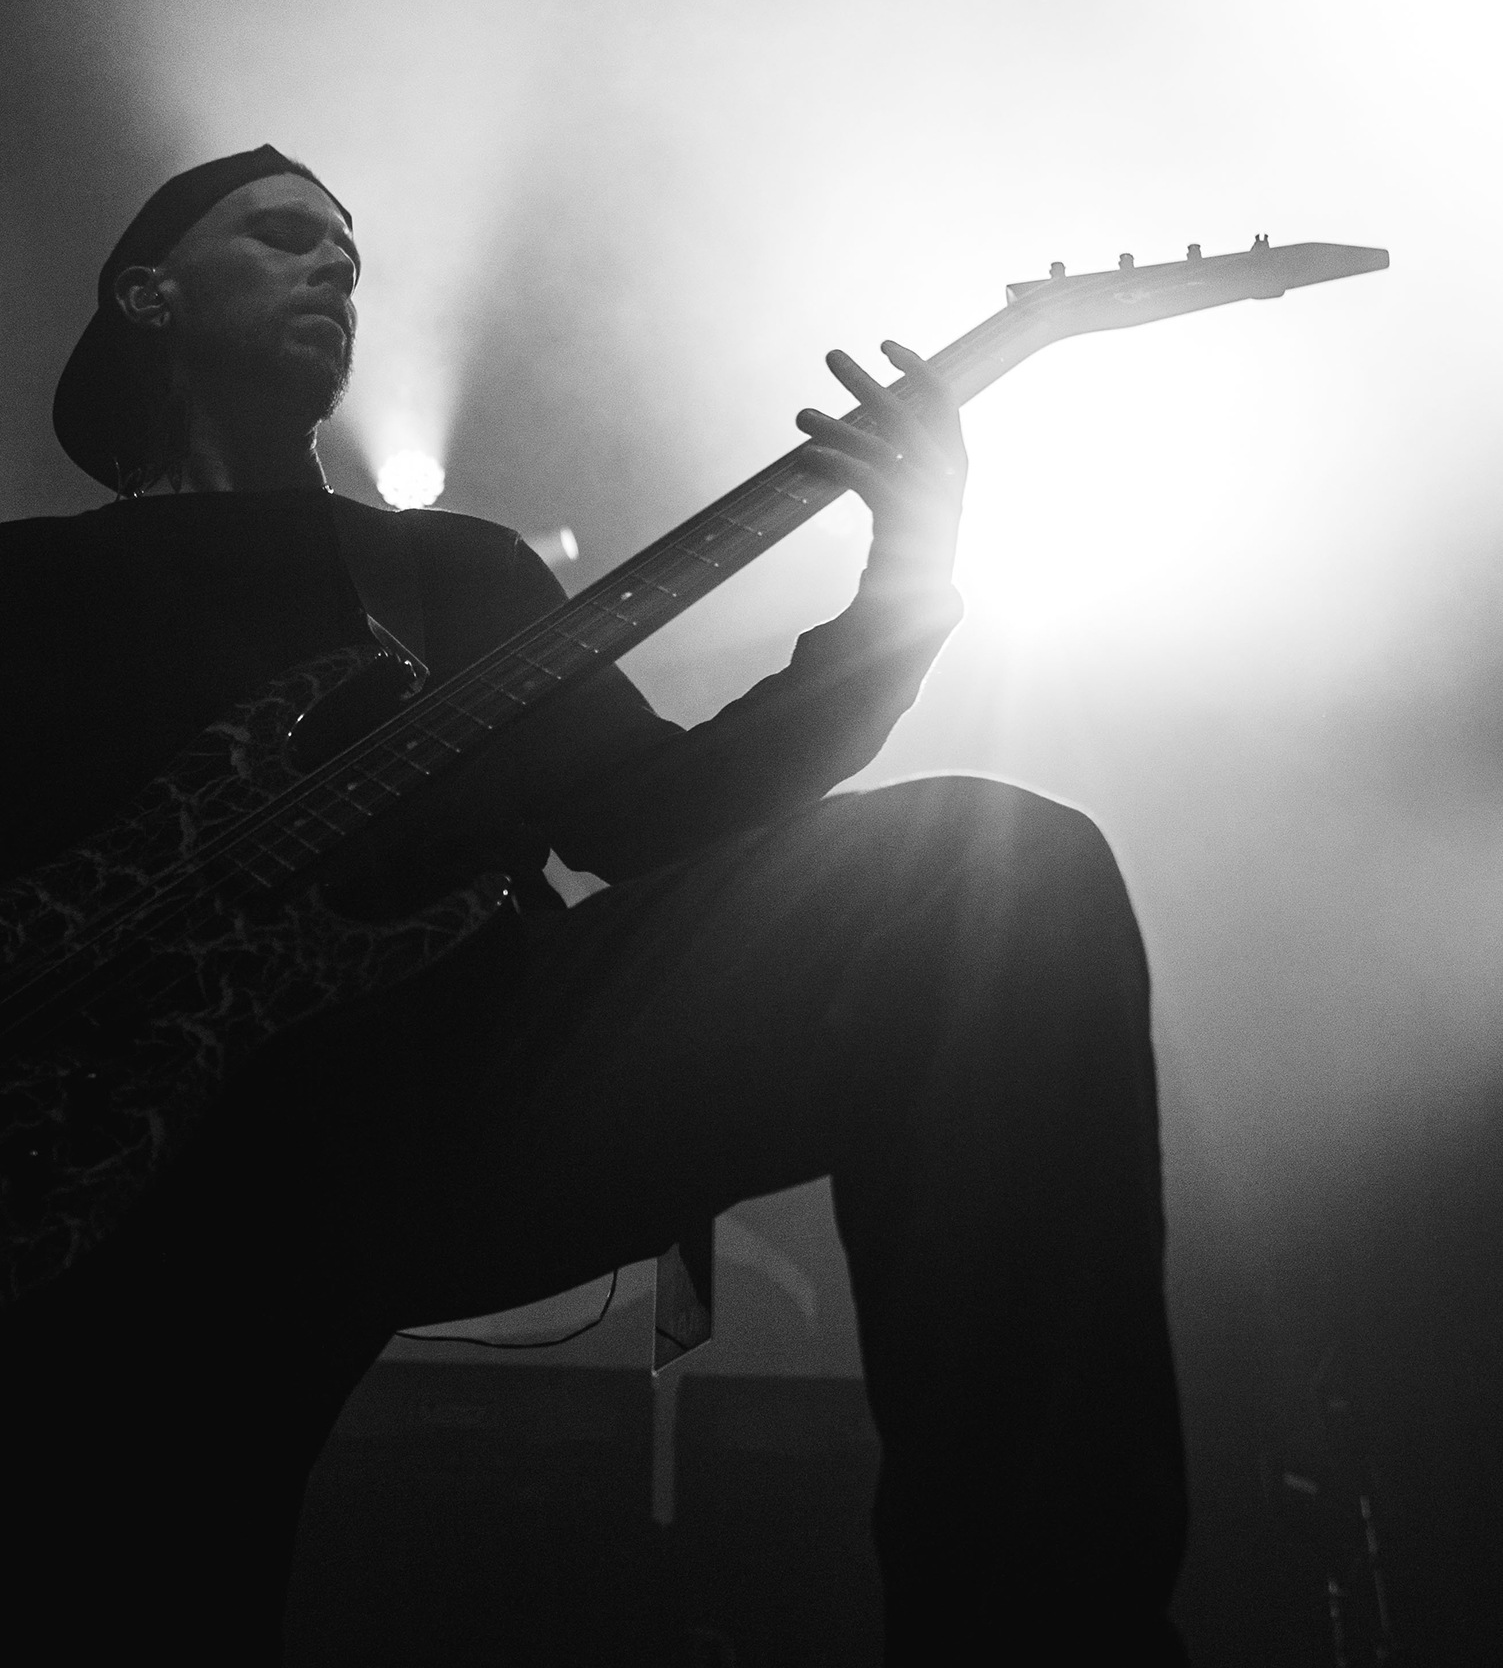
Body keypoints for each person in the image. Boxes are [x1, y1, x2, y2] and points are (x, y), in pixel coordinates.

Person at [0, 146, 1188, 1663]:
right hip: (108, 1176)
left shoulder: (444, 574)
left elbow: (664, 823)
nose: (335, 268)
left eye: (348, 255)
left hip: (433, 1094)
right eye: (284, 237)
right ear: (148, 293)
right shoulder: (29, 590)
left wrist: (906, 581)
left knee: (984, 876)